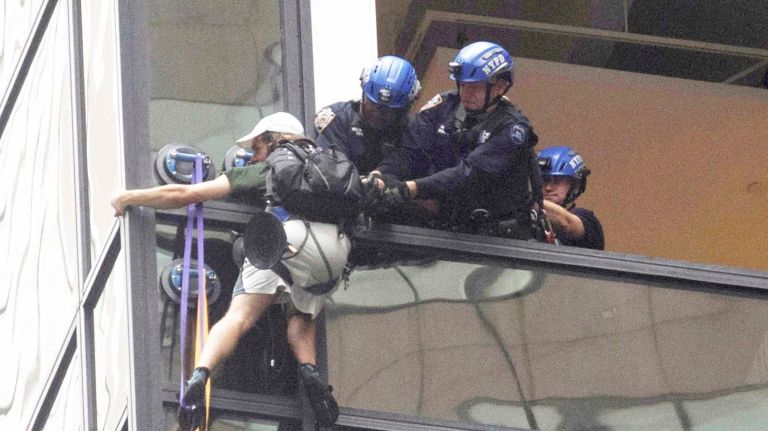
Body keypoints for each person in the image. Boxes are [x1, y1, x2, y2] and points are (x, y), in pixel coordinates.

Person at [111, 112, 346, 429]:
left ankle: (201, 372)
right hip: (333, 253)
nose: (253, 155)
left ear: (272, 140)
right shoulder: (333, 168)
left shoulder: (268, 168)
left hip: (288, 241)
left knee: (240, 316)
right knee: (301, 315)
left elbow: (186, 194)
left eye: (257, 147)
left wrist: (129, 197)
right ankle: (310, 371)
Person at [373, 41, 545, 239]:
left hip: (498, 241)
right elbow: (411, 150)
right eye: (462, 84)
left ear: (500, 86)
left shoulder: (512, 128)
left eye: (475, 87)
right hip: (448, 230)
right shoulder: (445, 105)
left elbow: (468, 173)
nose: (465, 94)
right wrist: (379, 175)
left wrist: (409, 189)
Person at [314, 55, 422, 178]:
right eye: (374, 104)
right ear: (364, 94)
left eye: (389, 110)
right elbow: (331, 174)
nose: (379, 113)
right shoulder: (337, 119)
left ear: (404, 109)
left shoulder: (413, 131)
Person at [537, 146, 605, 250]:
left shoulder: (588, 221)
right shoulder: (530, 217)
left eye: (557, 180)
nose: (548, 187)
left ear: (574, 185)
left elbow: (566, 222)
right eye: (544, 180)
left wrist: (527, 201)